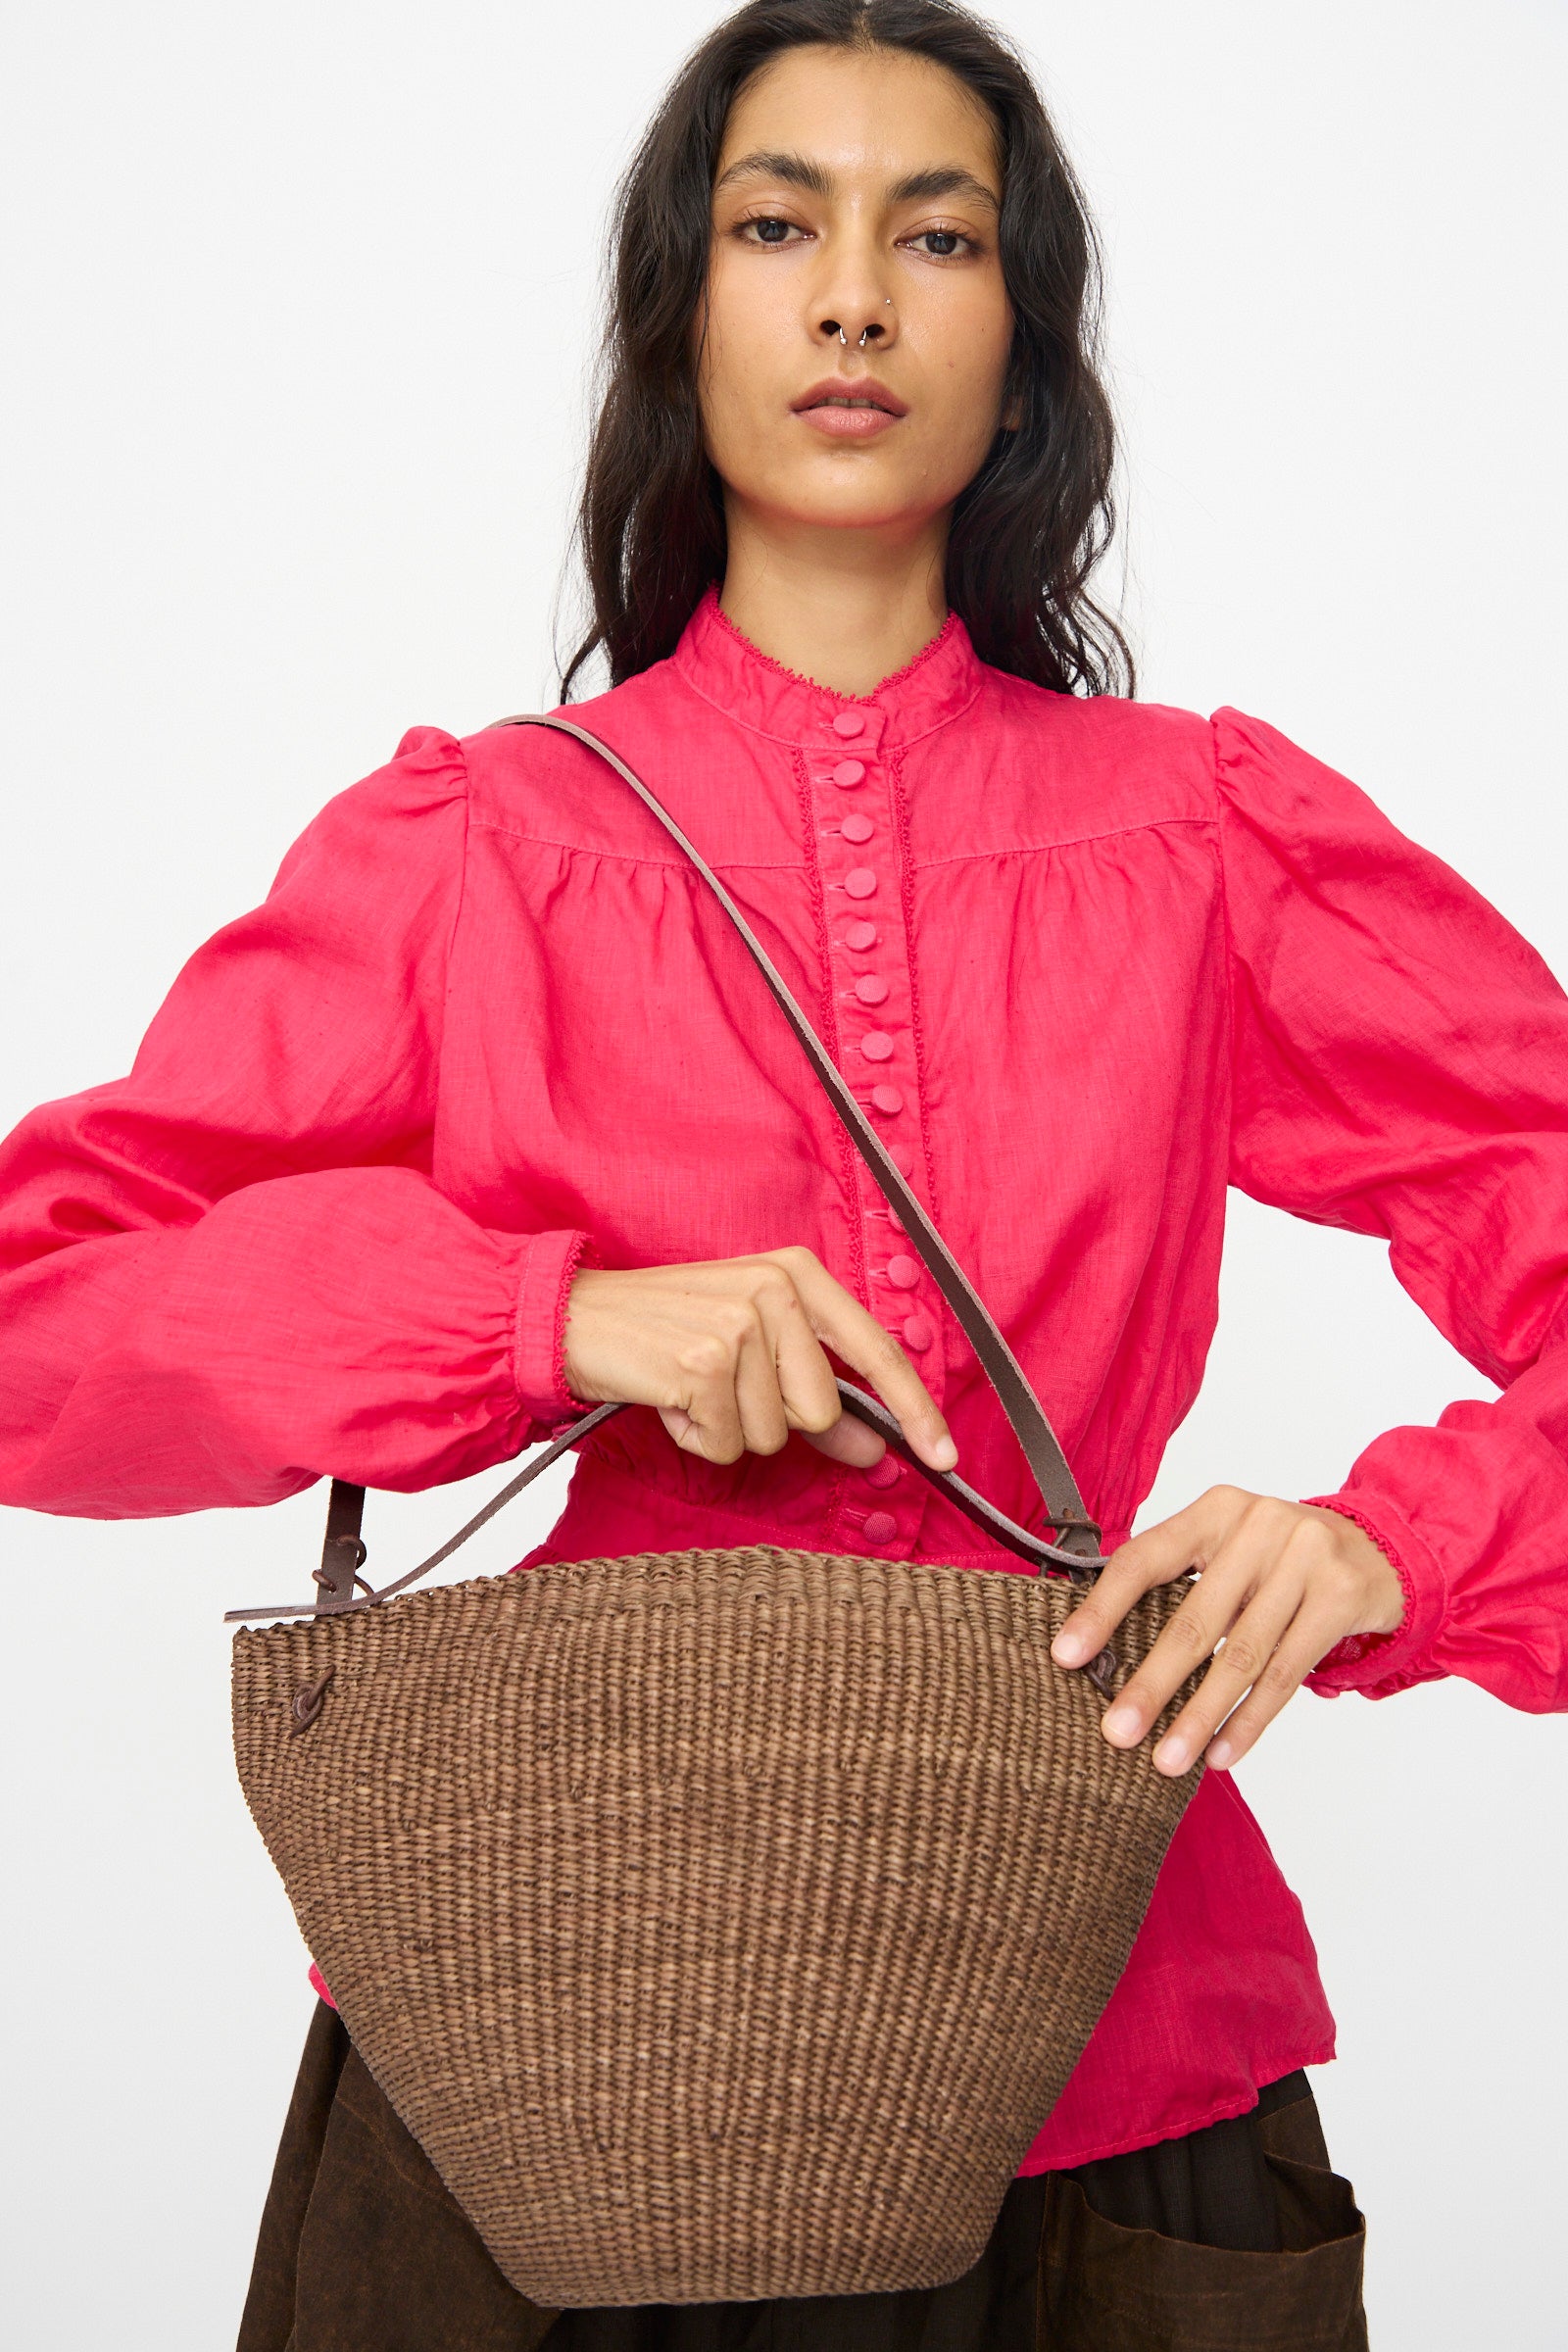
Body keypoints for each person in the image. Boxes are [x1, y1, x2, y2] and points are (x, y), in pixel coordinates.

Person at [3, 1, 1565, 2344]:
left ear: (1021, 346)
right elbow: (39, 1322)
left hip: (1109, 2056)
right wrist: (539, 1319)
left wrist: (1390, 1548)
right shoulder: (471, 847)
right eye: (773, 226)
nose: (851, 298)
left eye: (934, 237)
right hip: (535, 2048)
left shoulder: (1203, 836)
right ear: (678, 317)